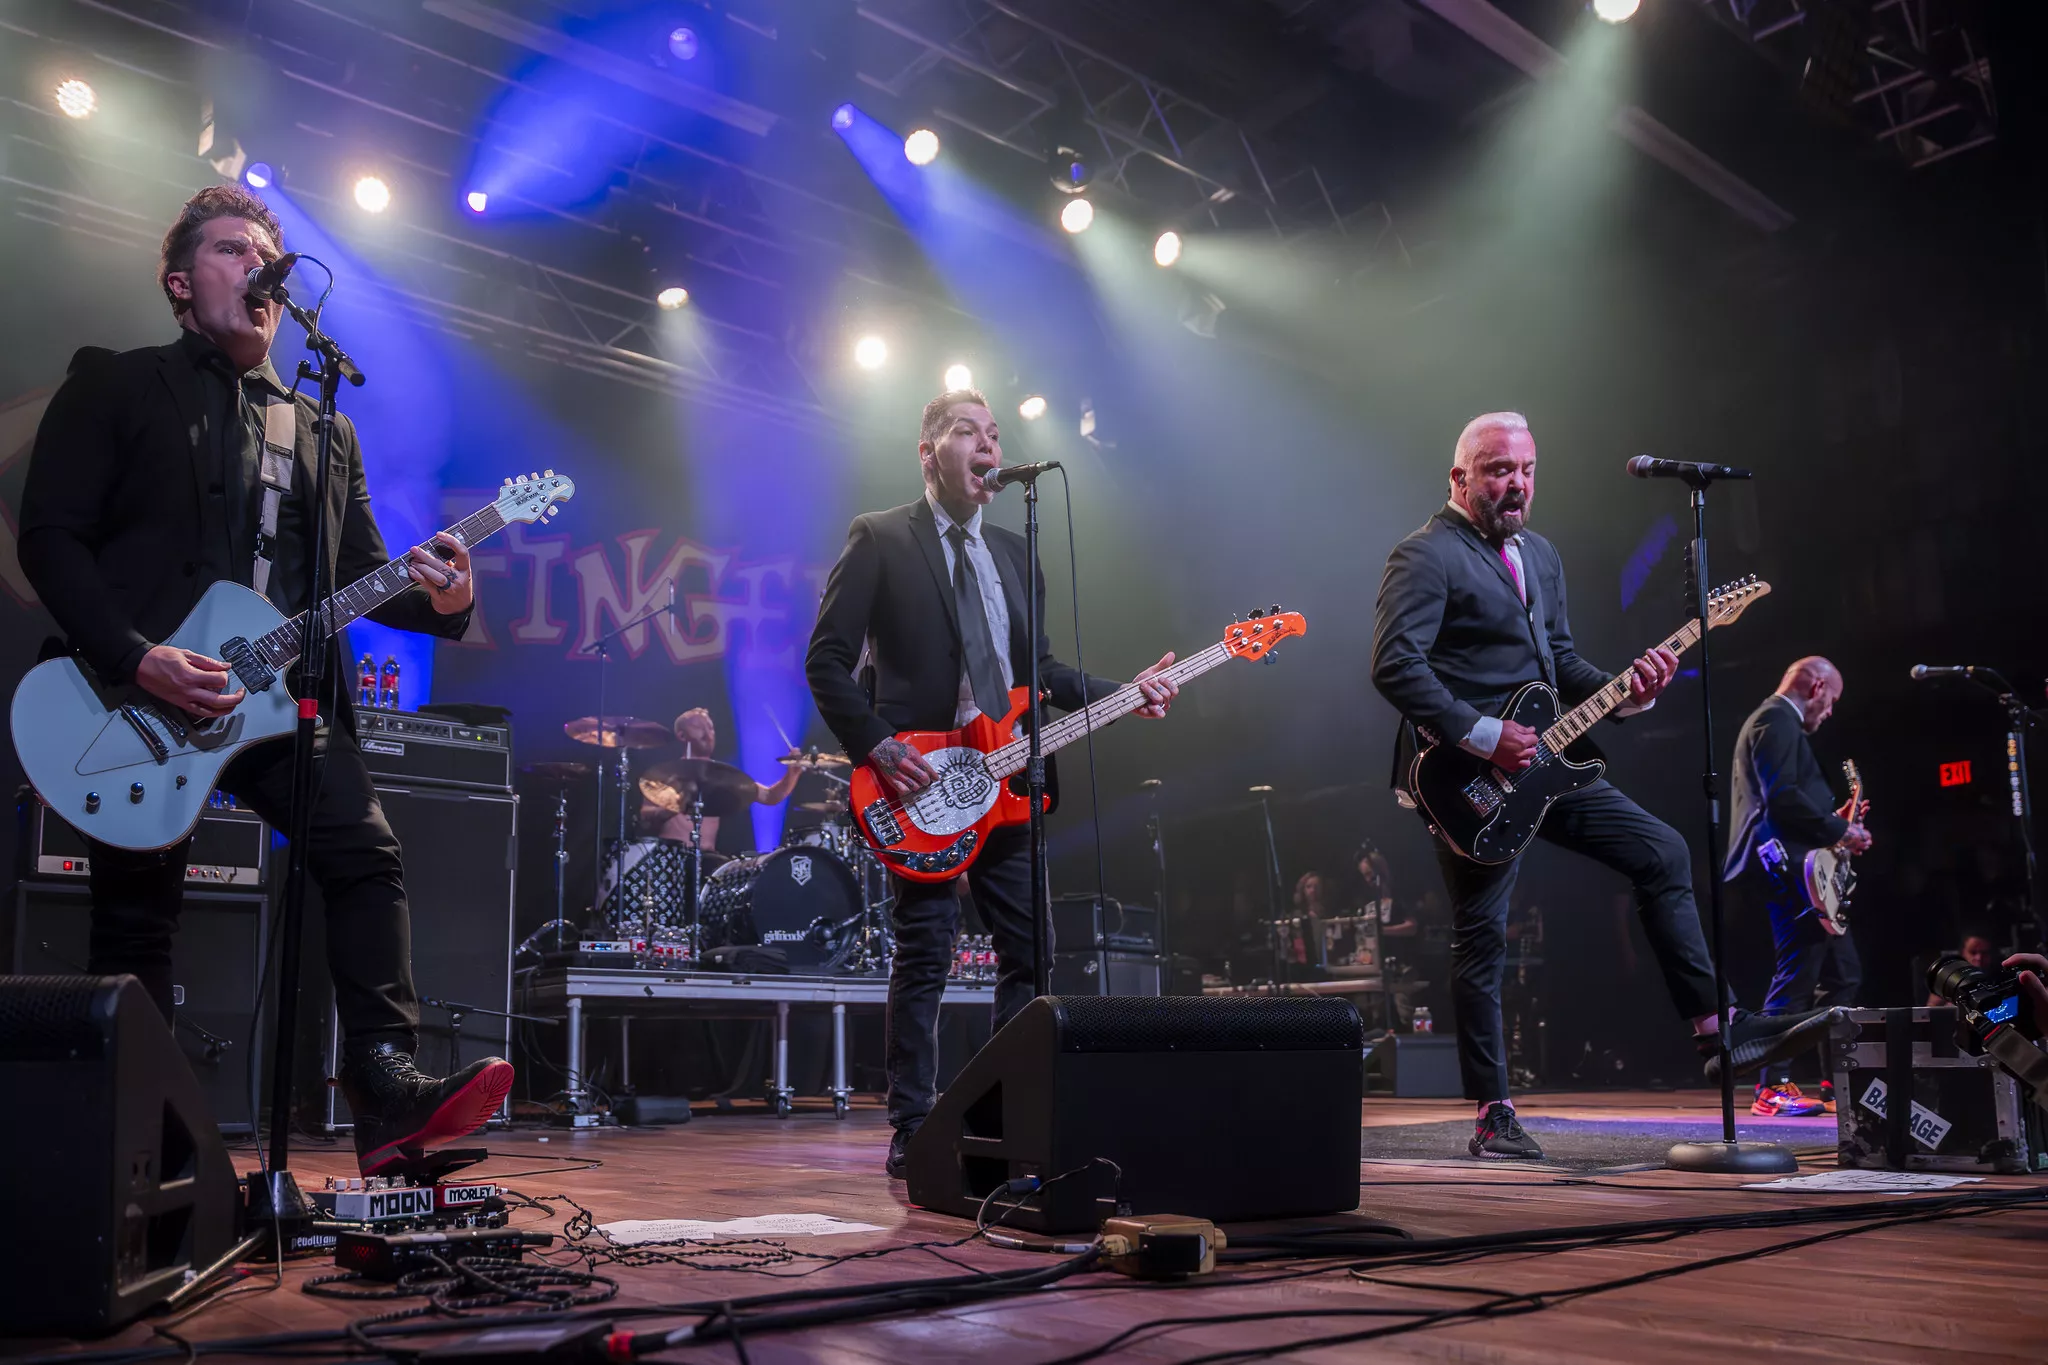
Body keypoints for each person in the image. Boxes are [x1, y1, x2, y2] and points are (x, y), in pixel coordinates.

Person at [16, 186, 511, 1175]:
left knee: (365, 854)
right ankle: (142, 1148)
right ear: (179, 281)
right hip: (135, 695)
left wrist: (449, 603)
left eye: (270, 254)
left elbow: (369, 572)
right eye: (234, 250)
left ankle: (384, 1088)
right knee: (137, 915)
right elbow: (49, 538)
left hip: (278, 704)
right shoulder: (115, 385)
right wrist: (135, 654)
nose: (260, 268)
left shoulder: (324, 432)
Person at [1370, 411, 1837, 1160]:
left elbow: (1558, 665)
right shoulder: (1425, 555)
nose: (1516, 482)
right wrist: (1485, 735)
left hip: (1549, 760)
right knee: (1482, 935)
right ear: (1460, 478)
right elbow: (1396, 665)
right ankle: (1494, 1112)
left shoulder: (1542, 557)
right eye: (1497, 469)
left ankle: (1715, 1030)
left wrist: (1633, 691)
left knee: (1663, 850)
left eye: (1525, 468)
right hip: (1469, 780)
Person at [805, 387, 1179, 1178]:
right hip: (923, 782)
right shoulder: (879, 537)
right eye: (967, 432)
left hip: (1010, 778)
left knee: (1031, 953)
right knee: (926, 951)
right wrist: (875, 746)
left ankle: (1002, 1112)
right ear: (928, 452)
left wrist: (1123, 690)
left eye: (995, 433)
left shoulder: (1015, 552)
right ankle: (912, 1125)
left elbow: (1037, 673)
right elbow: (826, 662)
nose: (988, 445)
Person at [1726, 657, 1871, 1116]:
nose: (1829, 712)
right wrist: (1839, 830)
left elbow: (1791, 797)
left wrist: (1837, 822)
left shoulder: (1779, 723)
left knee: (1843, 976)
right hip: (1787, 866)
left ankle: (1837, 1079)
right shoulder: (1775, 718)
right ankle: (1772, 1085)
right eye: (1831, 701)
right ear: (1817, 686)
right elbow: (1781, 797)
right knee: (1797, 975)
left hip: (1802, 865)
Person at [637, 707, 809, 850]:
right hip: (671, 858)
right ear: (682, 736)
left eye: (710, 727)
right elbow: (645, 818)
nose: (707, 733)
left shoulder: (722, 775)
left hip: (708, 859)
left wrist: (792, 773)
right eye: (699, 727)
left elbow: (770, 796)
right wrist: (674, 804)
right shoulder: (665, 775)